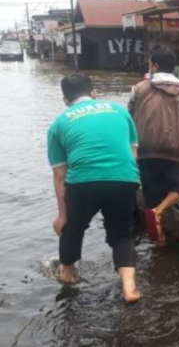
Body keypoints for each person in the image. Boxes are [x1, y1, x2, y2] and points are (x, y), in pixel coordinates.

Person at [47, 74, 141, 303]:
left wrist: (62, 216)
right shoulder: (119, 111)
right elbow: (133, 154)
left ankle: (67, 273)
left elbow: (60, 175)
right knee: (122, 234)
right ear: (94, 92)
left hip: (83, 182)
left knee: (73, 228)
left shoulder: (58, 124)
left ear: (65, 100)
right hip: (124, 178)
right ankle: (129, 289)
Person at [128, 45, 179, 246]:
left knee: (151, 194)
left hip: (145, 149)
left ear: (155, 66)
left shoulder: (138, 89)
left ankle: (159, 241)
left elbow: (129, 118)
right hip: (175, 148)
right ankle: (161, 212)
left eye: (149, 64)